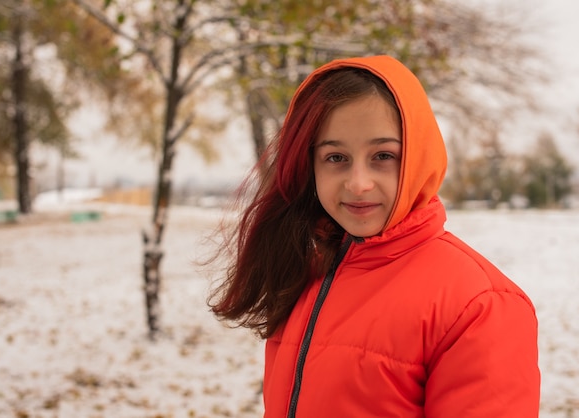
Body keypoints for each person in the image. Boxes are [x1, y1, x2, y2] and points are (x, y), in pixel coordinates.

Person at [208, 55, 540, 417]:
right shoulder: (311, 271)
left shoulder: (479, 305)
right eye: (336, 157)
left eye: (383, 155)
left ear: (417, 157)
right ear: (308, 164)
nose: (358, 183)